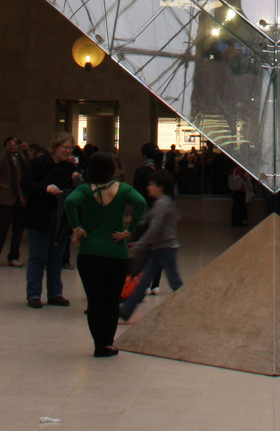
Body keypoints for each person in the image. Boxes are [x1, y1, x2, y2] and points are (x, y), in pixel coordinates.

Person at [64, 151, 146, 358]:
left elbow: (69, 202)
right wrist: (130, 230)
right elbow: (141, 203)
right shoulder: (124, 190)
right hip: (116, 252)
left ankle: (98, 344)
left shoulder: (84, 190)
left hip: (89, 252)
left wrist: (77, 228)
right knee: (111, 300)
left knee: (95, 300)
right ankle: (108, 343)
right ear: (113, 170)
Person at [119, 170, 183, 321]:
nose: (148, 188)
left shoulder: (162, 204)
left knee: (174, 281)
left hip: (165, 249)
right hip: (161, 248)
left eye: (151, 185)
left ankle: (188, 305)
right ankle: (126, 310)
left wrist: (139, 246)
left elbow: (154, 228)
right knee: (145, 281)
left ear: (160, 188)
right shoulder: (164, 203)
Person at [23, 133, 79, 308]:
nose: (68, 151)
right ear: (55, 147)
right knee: (38, 257)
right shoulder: (39, 163)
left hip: (60, 218)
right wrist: (44, 188)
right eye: (65, 148)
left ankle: (55, 293)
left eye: (70, 149)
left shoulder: (69, 168)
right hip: (40, 216)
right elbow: (25, 183)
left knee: (56, 257)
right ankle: (33, 294)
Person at [0, 137, 24, 267]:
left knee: (18, 228)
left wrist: (26, 151)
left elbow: (30, 166)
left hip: (20, 197)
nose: (14, 145)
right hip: (6, 197)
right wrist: (5, 150)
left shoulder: (20, 157)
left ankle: (14, 256)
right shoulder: (4, 157)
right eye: (11, 143)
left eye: (16, 143)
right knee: (2, 227)